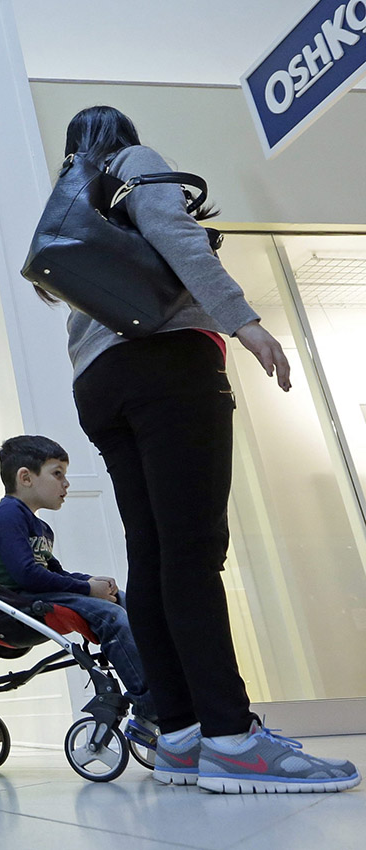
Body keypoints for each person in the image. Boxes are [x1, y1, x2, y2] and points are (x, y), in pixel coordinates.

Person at [54, 106, 358, 794]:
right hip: (168, 366)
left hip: (98, 383)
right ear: (122, 136)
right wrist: (243, 322)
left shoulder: (77, 201)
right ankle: (232, 738)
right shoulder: (132, 165)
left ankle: (182, 736)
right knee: (192, 554)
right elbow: (177, 234)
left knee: (152, 557)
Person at [0, 436, 157, 742]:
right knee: (110, 616)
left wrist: (93, 583)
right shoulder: (6, 515)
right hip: (12, 605)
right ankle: (150, 709)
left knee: (122, 601)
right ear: (25, 477)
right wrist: (86, 588)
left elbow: (53, 574)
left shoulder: (40, 527)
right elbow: (28, 575)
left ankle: (161, 687)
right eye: (57, 474)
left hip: (33, 597)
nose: (66, 483)